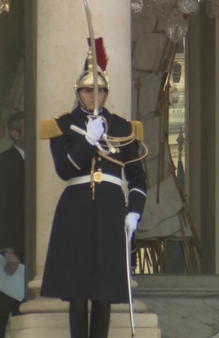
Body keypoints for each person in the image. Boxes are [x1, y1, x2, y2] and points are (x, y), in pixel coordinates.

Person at [38, 42, 147, 338]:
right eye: (87, 90)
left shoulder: (125, 127)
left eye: (98, 90)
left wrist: (134, 213)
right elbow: (64, 169)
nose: (92, 96)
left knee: (104, 290)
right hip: (76, 210)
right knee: (77, 290)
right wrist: (88, 141)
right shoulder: (62, 125)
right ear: (78, 92)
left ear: (106, 93)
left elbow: (137, 179)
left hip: (112, 210)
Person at [0, 111, 25, 338]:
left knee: (24, 322)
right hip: (9, 258)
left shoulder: (41, 162)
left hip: (31, 256)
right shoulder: (4, 162)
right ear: (15, 133)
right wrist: (7, 249)